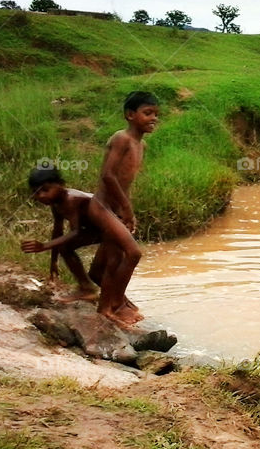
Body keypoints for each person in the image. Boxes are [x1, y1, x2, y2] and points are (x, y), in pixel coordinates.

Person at [21, 166, 142, 327]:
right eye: (36, 192)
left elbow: (76, 232)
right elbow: (58, 231)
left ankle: (122, 309)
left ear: (61, 185)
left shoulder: (72, 199)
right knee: (71, 252)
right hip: (98, 230)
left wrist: (44, 246)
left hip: (115, 225)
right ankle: (88, 289)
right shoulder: (57, 204)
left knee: (101, 273)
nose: (41, 196)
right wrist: (53, 261)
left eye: (45, 190)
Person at [87, 91, 159, 306]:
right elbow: (108, 175)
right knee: (132, 254)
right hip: (102, 206)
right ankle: (112, 306)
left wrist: (127, 212)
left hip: (116, 210)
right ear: (130, 115)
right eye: (147, 113)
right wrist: (127, 210)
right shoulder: (122, 139)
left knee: (106, 263)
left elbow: (125, 181)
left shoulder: (141, 145)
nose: (154, 118)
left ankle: (116, 299)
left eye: (156, 114)